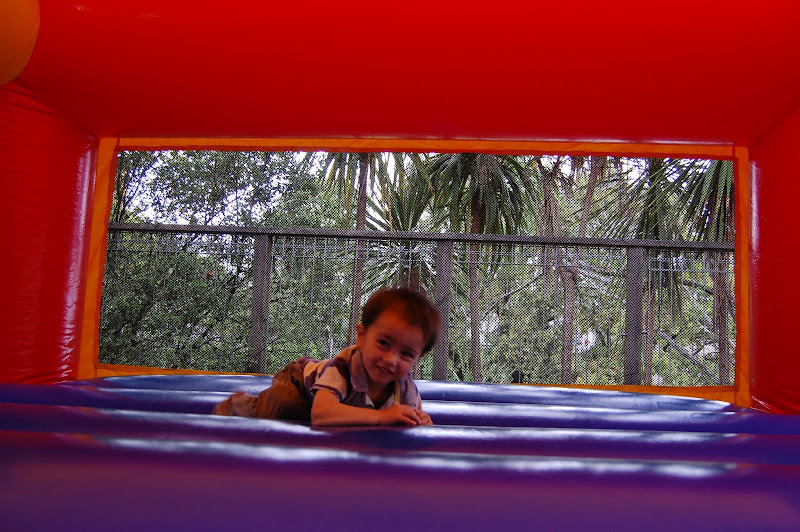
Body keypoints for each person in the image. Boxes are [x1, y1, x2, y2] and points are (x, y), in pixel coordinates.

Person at [212, 286, 441, 426]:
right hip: (299, 383)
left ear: (418, 358)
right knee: (284, 409)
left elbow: (414, 417)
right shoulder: (344, 367)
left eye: (406, 353)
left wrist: (421, 420)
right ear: (361, 336)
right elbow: (321, 413)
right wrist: (383, 417)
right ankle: (242, 405)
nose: (391, 359)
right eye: (383, 343)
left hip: (328, 399)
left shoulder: (405, 387)